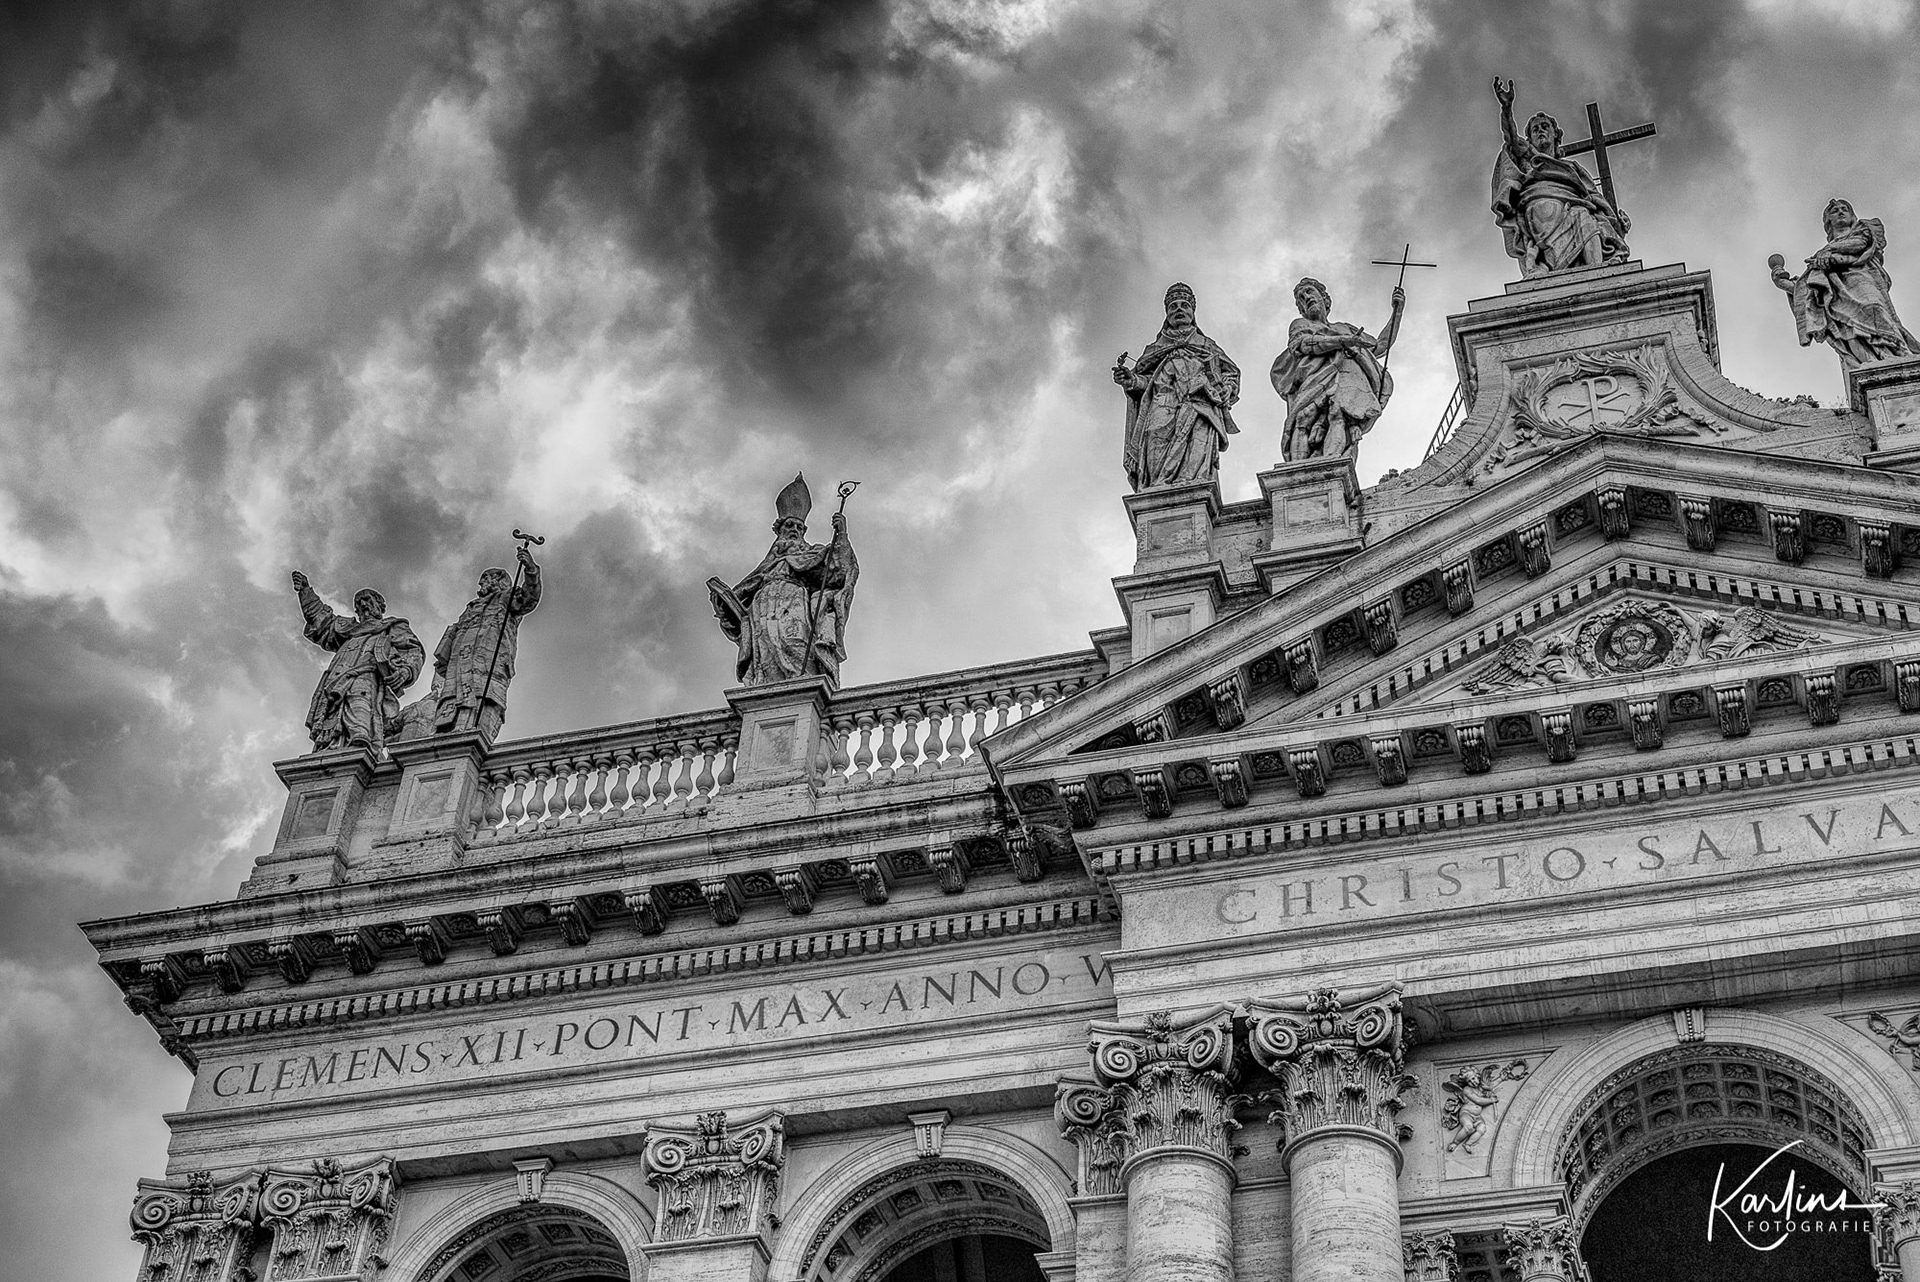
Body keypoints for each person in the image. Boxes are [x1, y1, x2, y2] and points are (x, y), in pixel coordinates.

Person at [708, 474, 858, 686]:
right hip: (762, 606)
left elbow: (842, 571)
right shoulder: (767, 565)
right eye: (789, 525)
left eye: (799, 527)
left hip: (794, 599)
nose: (794, 530)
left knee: (793, 641)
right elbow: (743, 594)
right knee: (765, 650)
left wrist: (842, 534)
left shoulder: (814, 553)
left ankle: (803, 683)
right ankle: (766, 686)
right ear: (779, 530)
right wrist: (724, 601)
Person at [1490, 78, 1631, 277]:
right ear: (1529, 139)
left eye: (1545, 126)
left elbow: (1595, 199)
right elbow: (1511, 138)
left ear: (1555, 135)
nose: (1540, 130)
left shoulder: (1572, 168)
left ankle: (1597, 274)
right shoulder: (1528, 159)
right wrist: (1506, 109)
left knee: (1584, 215)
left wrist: (1616, 225)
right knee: (1563, 211)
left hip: (1577, 208)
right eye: (1535, 129)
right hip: (1538, 207)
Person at [1114, 282, 1240, 491]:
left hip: (1200, 402)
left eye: (1184, 305)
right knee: (1154, 438)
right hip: (1162, 402)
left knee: (1196, 447)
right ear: (1167, 313)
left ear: (1192, 311)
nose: (1179, 309)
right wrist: (1131, 381)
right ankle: (1158, 489)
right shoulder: (1155, 348)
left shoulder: (1207, 345)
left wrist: (1226, 387)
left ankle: (1191, 488)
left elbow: (1230, 373)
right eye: (1173, 306)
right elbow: (1147, 382)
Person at [1770, 198, 1920, 372]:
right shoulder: (1821, 257)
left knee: (1874, 308)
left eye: (1844, 209)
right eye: (1835, 211)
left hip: (1862, 277)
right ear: (1828, 221)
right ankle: (1872, 361)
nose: (1840, 212)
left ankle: (1900, 355)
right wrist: (1783, 283)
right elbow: (1812, 292)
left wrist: (1830, 255)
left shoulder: (1863, 230)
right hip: (1837, 294)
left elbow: (1860, 243)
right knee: (1847, 329)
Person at [1269, 276, 1402, 461]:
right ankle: (1298, 467)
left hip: (1349, 380)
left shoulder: (1344, 327)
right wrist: (1342, 341)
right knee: (1303, 418)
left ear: (1324, 298)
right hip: (1315, 380)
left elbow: (1380, 346)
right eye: (1301, 298)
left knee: (1339, 416)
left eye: (1309, 292)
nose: (1306, 298)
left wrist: (1397, 311)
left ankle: (1333, 461)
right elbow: (1304, 345)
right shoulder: (1301, 325)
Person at [290, 573, 424, 754]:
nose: (363, 605)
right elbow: (320, 619)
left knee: (359, 703)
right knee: (332, 712)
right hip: (337, 676)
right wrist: (306, 591)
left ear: (379, 606)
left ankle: (360, 740)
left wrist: (406, 670)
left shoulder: (392, 626)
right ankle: (331, 746)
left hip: (367, 674)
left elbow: (412, 649)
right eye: (359, 603)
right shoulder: (347, 628)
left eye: (368, 600)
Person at [429, 544, 542, 740]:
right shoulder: (471, 607)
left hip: (487, 664)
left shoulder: (506, 599)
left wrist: (531, 569)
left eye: (486, 578)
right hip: (458, 666)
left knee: (483, 698)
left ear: (497, 580)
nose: (481, 583)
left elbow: (529, 598)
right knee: (450, 701)